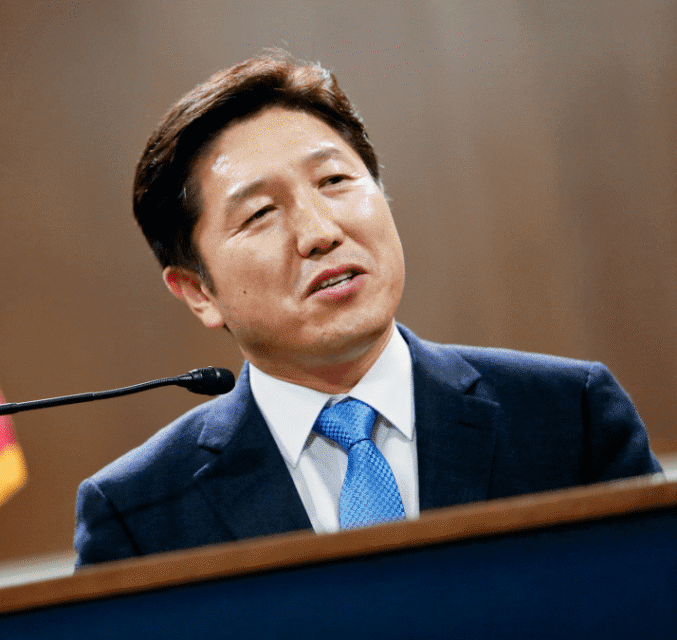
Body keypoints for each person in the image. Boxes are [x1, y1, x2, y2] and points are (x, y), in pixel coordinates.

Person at [73, 51, 661, 567]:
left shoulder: (567, 417)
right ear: (199, 291)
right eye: (259, 214)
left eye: (334, 180)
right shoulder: (139, 512)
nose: (320, 232)